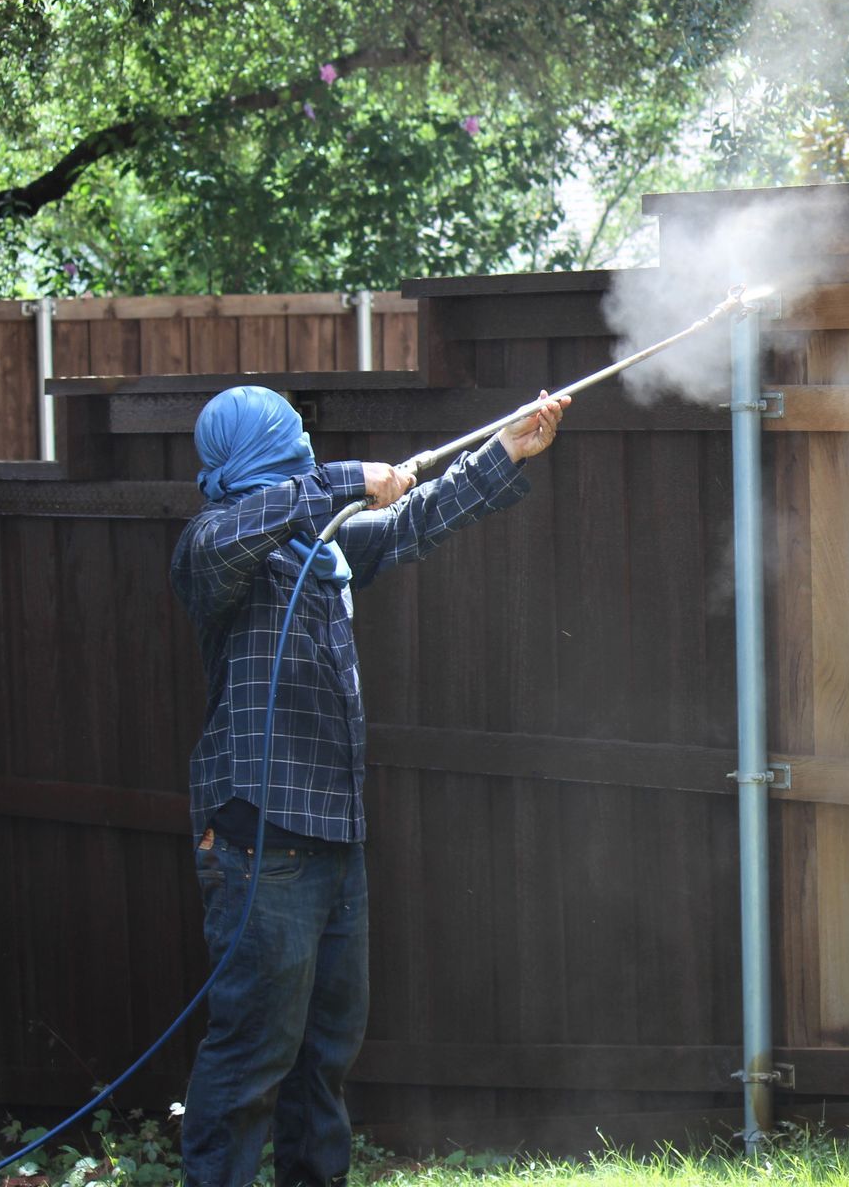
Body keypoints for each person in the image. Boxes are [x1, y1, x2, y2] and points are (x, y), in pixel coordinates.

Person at [168, 384, 564, 1187]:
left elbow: (412, 520)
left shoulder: (323, 544)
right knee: (252, 1056)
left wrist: (505, 453)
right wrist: (348, 477)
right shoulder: (214, 545)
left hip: (333, 844)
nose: (305, 445)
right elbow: (239, 532)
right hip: (258, 841)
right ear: (263, 448)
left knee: (324, 1058)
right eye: (292, 437)